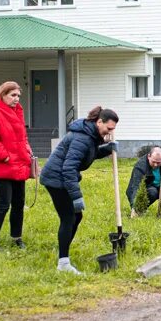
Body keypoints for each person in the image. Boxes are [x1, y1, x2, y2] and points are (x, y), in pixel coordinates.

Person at [39, 106, 119, 274]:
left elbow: (88, 154)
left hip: (61, 177)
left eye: (113, 129)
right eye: (109, 128)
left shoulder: (89, 135)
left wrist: (107, 149)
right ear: (99, 122)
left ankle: (63, 253)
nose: (110, 132)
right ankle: (63, 264)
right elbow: (68, 168)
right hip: (56, 178)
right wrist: (76, 197)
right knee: (69, 217)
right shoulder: (82, 138)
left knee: (76, 216)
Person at [0, 81, 34, 249]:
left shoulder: (18, 112)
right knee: (3, 205)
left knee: (18, 205)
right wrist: (5, 157)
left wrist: (27, 151)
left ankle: (16, 237)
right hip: (3, 168)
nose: (16, 99)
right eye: (13, 95)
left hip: (19, 165)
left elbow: (22, 137)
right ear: (2, 95)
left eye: (18, 95)